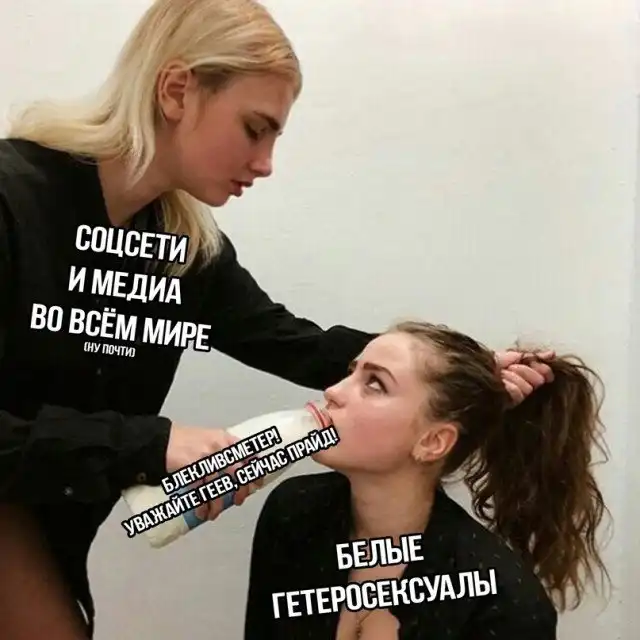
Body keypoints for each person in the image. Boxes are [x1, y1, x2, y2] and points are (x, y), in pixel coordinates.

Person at [0, 0, 553, 637]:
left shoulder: (186, 251)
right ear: (177, 90)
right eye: (254, 128)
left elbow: (291, 342)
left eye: (273, 137)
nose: (265, 163)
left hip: (52, 540)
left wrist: (456, 372)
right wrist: (149, 446)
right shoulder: (14, 201)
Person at [244, 320, 610, 639]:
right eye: (352, 372)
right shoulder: (293, 512)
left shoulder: (504, 603)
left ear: (433, 442)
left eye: (374, 384)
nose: (333, 392)